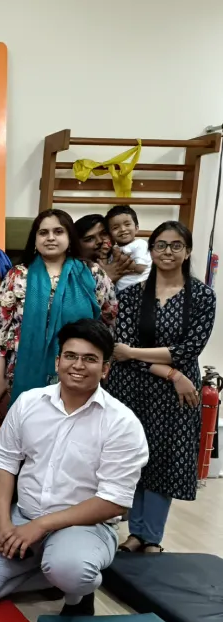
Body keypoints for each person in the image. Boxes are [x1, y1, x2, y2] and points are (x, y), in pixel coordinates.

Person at [0, 319, 149, 616]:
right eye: (71, 356)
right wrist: (3, 521)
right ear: (58, 361)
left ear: (105, 369)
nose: (78, 365)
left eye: (90, 359)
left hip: (84, 526)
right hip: (25, 516)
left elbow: (114, 500)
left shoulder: (122, 423)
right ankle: (53, 572)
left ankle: (77, 584)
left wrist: (41, 526)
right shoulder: (28, 403)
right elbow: (5, 462)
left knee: (71, 570)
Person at [107, 221, 216, 553]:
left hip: (177, 394)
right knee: (134, 457)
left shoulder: (202, 296)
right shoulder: (131, 295)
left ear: (188, 251)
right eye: (161, 245)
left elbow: (187, 350)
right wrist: (171, 373)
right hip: (135, 386)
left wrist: (133, 353)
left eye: (176, 245)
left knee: (165, 461)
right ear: (151, 250)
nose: (168, 252)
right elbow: (119, 349)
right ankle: (134, 533)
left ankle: (152, 537)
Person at [0, 209, 117, 418]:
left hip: (79, 373)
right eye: (43, 232)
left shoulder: (92, 274)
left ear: (69, 237)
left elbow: (108, 323)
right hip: (20, 375)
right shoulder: (18, 276)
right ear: (35, 239)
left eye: (58, 231)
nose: (50, 238)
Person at [105, 205, 152, 291]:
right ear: (110, 234)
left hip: (139, 287)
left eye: (127, 224)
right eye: (115, 227)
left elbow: (140, 268)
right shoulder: (114, 249)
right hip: (121, 291)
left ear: (136, 228)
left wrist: (120, 259)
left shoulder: (140, 244)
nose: (122, 229)